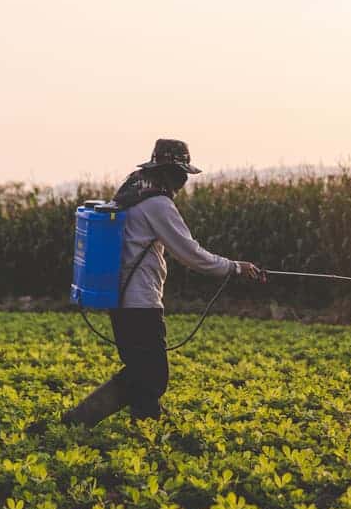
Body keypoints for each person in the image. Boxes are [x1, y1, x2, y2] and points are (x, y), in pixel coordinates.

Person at [62, 138, 265, 427]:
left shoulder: (132, 192)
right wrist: (234, 268)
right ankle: (80, 420)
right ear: (171, 172)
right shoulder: (157, 203)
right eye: (182, 174)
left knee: (142, 373)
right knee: (151, 375)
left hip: (120, 299)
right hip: (140, 302)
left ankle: (145, 425)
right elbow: (191, 254)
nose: (183, 181)